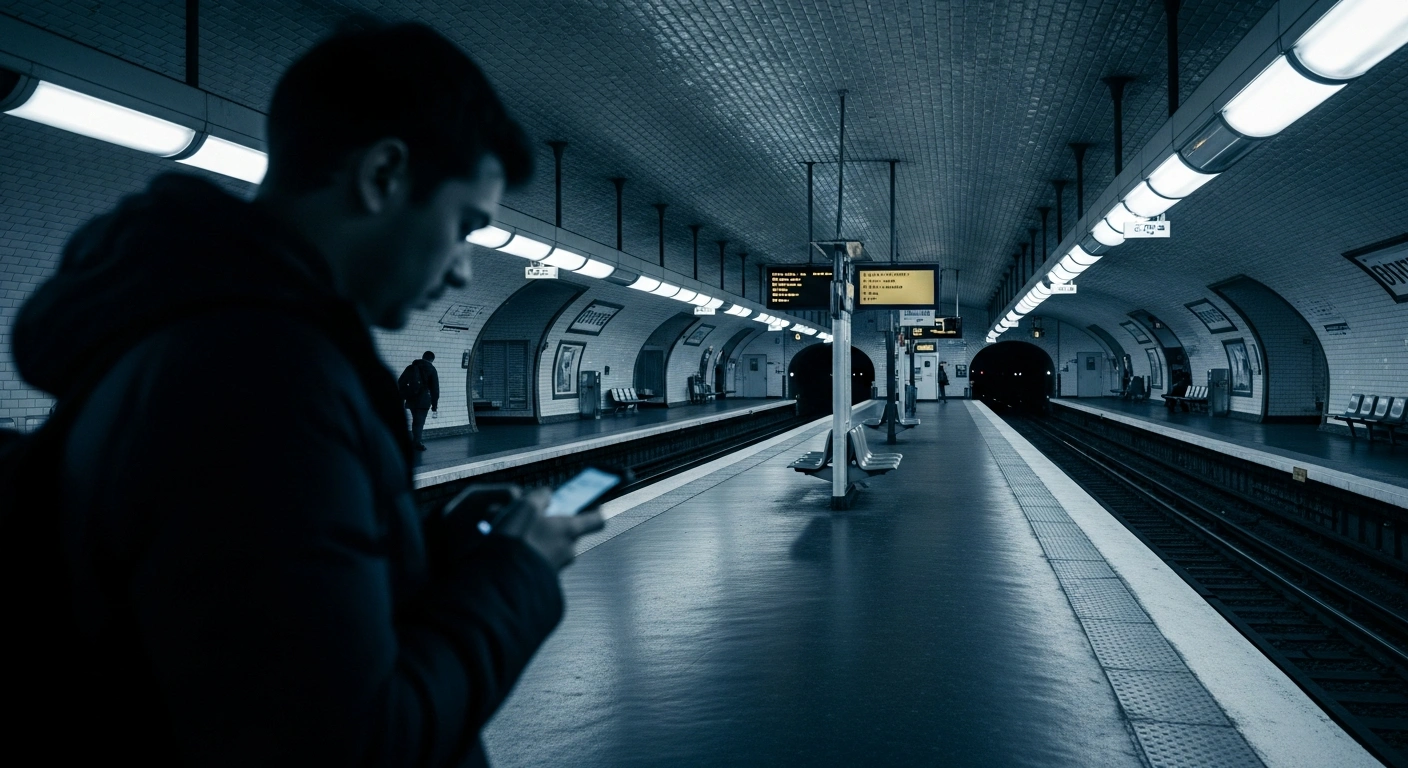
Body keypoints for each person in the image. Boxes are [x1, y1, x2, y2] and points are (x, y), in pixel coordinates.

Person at [8, 21, 602, 766]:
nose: (459, 270)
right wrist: (517, 577)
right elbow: (348, 744)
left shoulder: (191, 337)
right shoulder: (260, 379)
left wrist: (429, 547)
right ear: (383, 175)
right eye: (464, 225)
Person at [401, 350, 440, 449]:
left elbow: (401, 381)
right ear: (432, 360)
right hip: (424, 401)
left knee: (416, 420)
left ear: (423, 357)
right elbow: (435, 389)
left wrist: (407, 394)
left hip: (411, 399)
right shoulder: (432, 369)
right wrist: (434, 405)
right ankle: (417, 442)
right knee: (419, 422)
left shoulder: (411, 367)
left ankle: (415, 440)